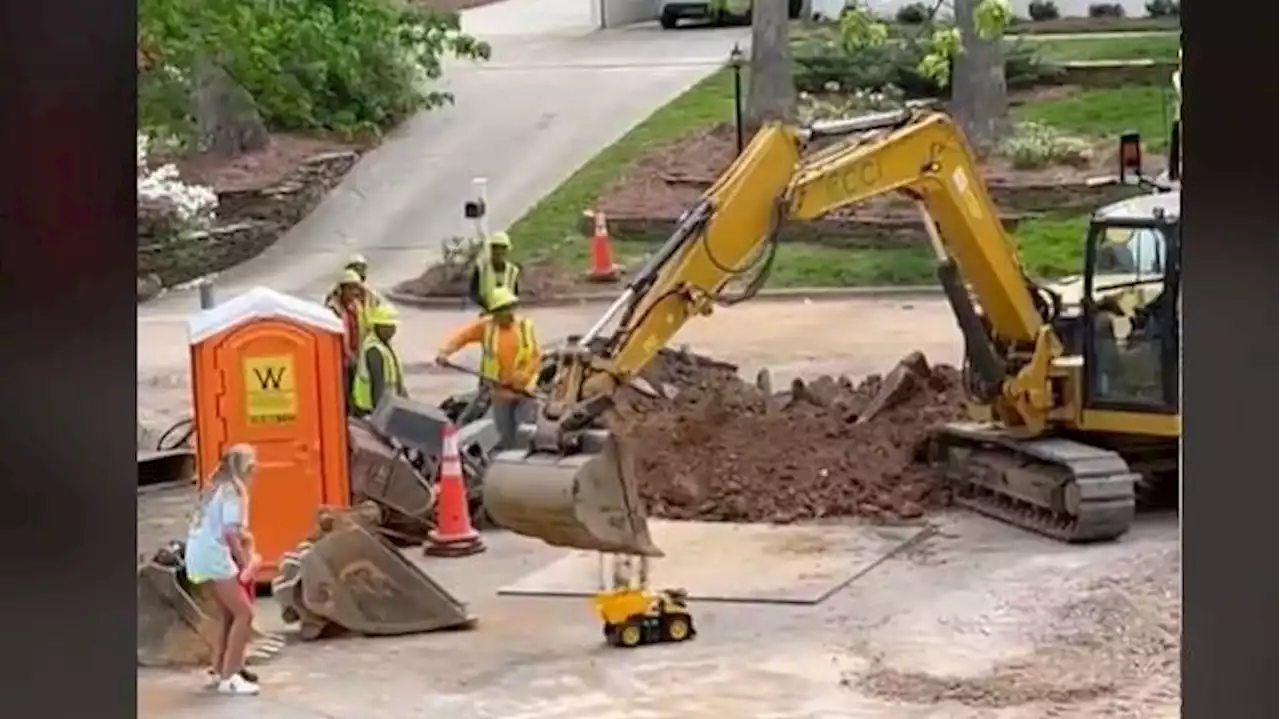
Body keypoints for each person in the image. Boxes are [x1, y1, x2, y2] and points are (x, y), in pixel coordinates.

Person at [183, 444, 261, 696]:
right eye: (253, 465)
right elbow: (230, 532)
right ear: (246, 468)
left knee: (229, 613)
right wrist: (244, 562)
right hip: (214, 554)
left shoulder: (214, 486)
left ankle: (220, 667)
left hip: (197, 552)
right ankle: (230, 677)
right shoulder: (233, 491)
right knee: (244, 614)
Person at [436, 288, 540, 449]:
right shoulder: (487, 327)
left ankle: (523, 463)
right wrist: (444, 352)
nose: (506, 313)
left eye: (508, 308)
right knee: (505, 433)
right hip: (499, 391)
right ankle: (507, 463)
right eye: (501, 310)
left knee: (524, 432)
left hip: (524, 390)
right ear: (494, 312)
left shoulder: (525, 326)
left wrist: (521, 377)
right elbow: (461, 336)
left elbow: (534, 357)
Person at [350, 303, 408, 417]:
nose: (393, 331)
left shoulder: (384, 345)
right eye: (388, 327)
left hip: (385, 404)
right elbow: (378, 385)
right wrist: (379, 415)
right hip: (371, 409)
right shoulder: (374, 350)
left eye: (393, 327)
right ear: (378, 326)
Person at [324, 269, 375, 397]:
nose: (354, 292)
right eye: (350, 288)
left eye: (356, 288)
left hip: (355, 357)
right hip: (339, 360)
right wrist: (347, 354)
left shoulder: (356, 307)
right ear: (341, 289)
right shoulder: (333, 309)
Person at [468, 231, 522, 313]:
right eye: (496, 248)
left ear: (506, 250)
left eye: (502, 248)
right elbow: (473, 293)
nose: (499, 251)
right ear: (491, 249)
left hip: (505, 313)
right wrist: (485, 305)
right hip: (486, 311)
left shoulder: (512, 271)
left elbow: (515, 293)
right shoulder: (481, 268)